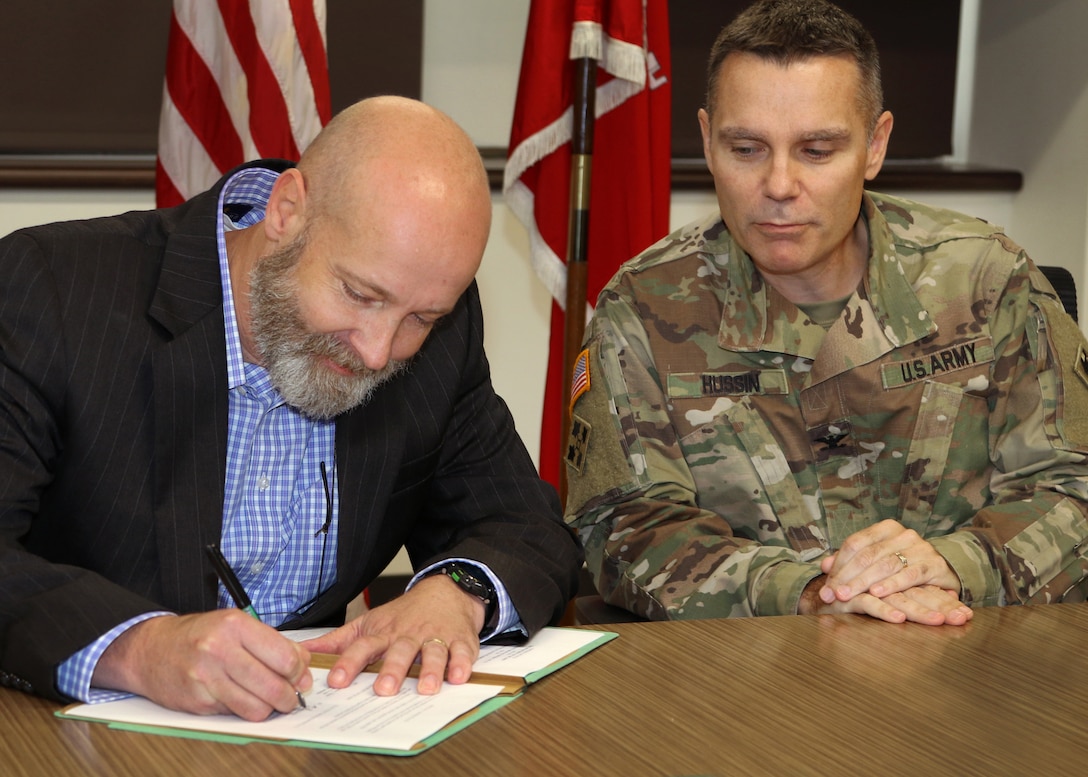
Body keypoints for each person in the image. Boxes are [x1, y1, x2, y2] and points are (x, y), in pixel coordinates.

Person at [0, 96, 581, 720]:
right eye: (359, 294)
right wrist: (136, 649)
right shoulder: (53, 292)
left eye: (420, 318)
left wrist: (458, 592)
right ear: (286, 211)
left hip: (318, 731)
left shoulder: (441, 335)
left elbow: (528, 526)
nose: (379, 351)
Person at [565, 0, 1088, 625]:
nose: (780, 185)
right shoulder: (643, 310)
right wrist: (811, 593)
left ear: (875, 146)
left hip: (970, 662)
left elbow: (1073, 487)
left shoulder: (988, 277)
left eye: (816, 150)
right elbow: (623, 530)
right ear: (707, 142)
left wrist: (955, 565)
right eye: (747, 148)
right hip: (745, 680)